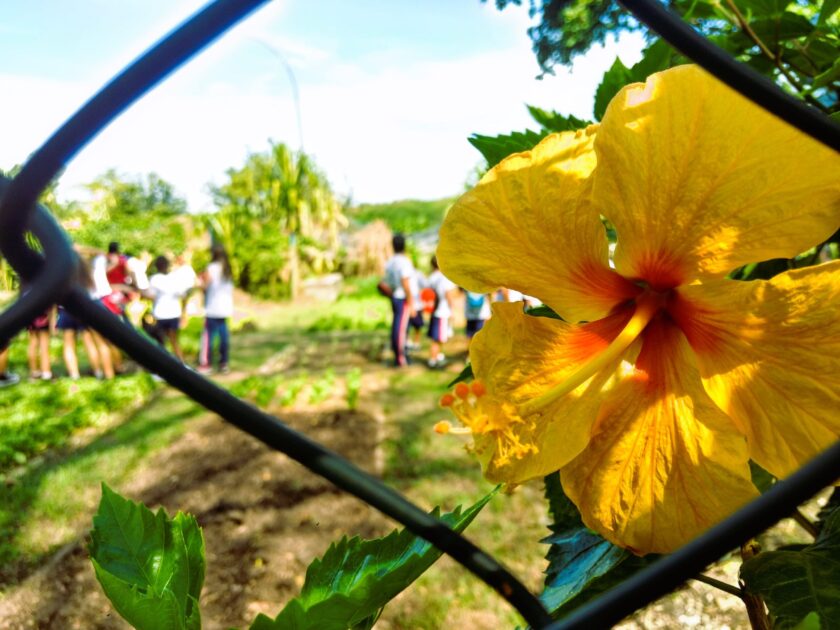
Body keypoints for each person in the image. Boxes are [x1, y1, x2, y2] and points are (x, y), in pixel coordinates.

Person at [378, 233, 416, 367]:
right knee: (400, 328)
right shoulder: (404, 262)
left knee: (397, 326)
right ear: (404, 245)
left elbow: (384, 282)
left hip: (394, 296)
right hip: (402, 298)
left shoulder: (390, 262)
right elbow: (405, 283)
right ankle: (400, 358)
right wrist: (411, 303)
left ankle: (400, 354)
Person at [197, 244, 234, 374]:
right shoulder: (227, 269)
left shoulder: (211, 268)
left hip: (212, 307)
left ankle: (206, 363)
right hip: (224, 307)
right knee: (224, 336)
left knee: (209, 337)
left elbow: (205, 286)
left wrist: (199, 283)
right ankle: (224, 362)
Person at [146, 255, 186, 362]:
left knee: (160, 342)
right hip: (174, 313)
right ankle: (181, 364)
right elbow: (183, 295)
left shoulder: (154, 279)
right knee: (174, 341)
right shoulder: (174, 278)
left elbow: (151, 296)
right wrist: (183, 312)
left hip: (160, 314)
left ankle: (162, 365)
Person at [426, 256, 457, 368]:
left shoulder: (431, 278)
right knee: (437, 339)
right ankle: (433, 361)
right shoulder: (443, 278)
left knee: (439, 337)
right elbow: (448, 294)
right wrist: (452, 309)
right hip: (442, 311)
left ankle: (438, 356)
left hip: (434, 311)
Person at [26, 300, 54, 380]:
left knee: (32, 344)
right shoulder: (45, 288)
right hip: (43, 318)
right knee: (44, 346)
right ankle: (46, 372)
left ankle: (34, 372)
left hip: (30, 319)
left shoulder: (26, 288)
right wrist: (52, 322)